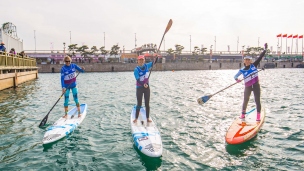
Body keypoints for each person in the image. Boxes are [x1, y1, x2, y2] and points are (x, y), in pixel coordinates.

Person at [234, 43, 268, 122]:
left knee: (257, 100)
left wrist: (265, 50)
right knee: (246, 100)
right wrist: (237, 80)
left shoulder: (254, 65)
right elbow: (235, 76)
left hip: (256, 85)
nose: (247, 61)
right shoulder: (242, 70)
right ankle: (243, 114)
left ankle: (258, 116)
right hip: (248, 87)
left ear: (251, 61)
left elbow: (260, 57)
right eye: (246, 60)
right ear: (244, 61)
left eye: (249, 60)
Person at [133, 55, 158, 123]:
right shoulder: (136, 70)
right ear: (138, 61)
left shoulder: (147, 65)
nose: (141, 61)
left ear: (144, 60)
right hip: (139, 88)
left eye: (142, 60)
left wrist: (156, 57)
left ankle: (147, 118)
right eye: (139, 60)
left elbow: (154, 62)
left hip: (147, 88)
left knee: (147, 104)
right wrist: (143, 84)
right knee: (139, 104)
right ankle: (136, 118)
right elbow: (138, 79)